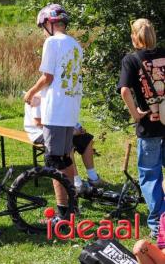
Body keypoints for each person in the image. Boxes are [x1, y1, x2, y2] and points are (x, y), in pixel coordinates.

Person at [24, 4, 83, 218]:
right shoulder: (75, 45)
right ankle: (73, 207)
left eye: (42, 26)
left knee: (54, 163)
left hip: (55, 113)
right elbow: (62, 80)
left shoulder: (51, 42)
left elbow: (47, 77)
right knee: (66, 159)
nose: (43, 31)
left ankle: (62, 211)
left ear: (49, 23)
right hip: (70, 110)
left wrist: (30, 93)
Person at [118, 18, 165, 238]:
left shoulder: (131, 60)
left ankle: (158, 226)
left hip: (149, 128)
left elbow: (125, 90)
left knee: (150, 176)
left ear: (134, 36)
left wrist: (136, 114)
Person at [24, 96, 107, 193]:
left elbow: (65, 115)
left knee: (87, 139)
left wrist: (78, 127)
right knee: (67, 143)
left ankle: (93, 178)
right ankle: (76, 183)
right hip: (39, 132)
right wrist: (71, 132)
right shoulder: (37, 96)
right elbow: (38, 123)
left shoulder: (59, 93)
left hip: (60, 129)